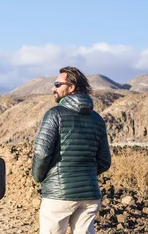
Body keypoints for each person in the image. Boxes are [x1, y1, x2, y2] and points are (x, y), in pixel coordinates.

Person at [32, 66, 111, 234]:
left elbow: (41, 152)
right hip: (90, 194)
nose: (53, 88)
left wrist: (39, 177)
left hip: (59, 194)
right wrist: (85, 173)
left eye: (57, 84)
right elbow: (104, 160)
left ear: (71, 87)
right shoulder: (97, 119)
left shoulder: (55, 114)